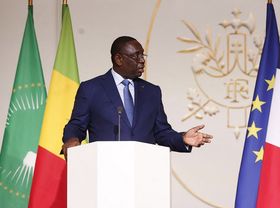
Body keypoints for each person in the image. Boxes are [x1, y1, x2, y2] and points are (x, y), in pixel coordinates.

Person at [62, 36, 212, 157]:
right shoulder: (91, 88)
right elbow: (77, 125)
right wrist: (71, 139)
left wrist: (183, 138)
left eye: (143, 55)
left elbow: (161, 132)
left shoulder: (152, 91)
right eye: (136, 56)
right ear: (119, 59)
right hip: (105, 170)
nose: (142, 60)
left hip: (143, 173)